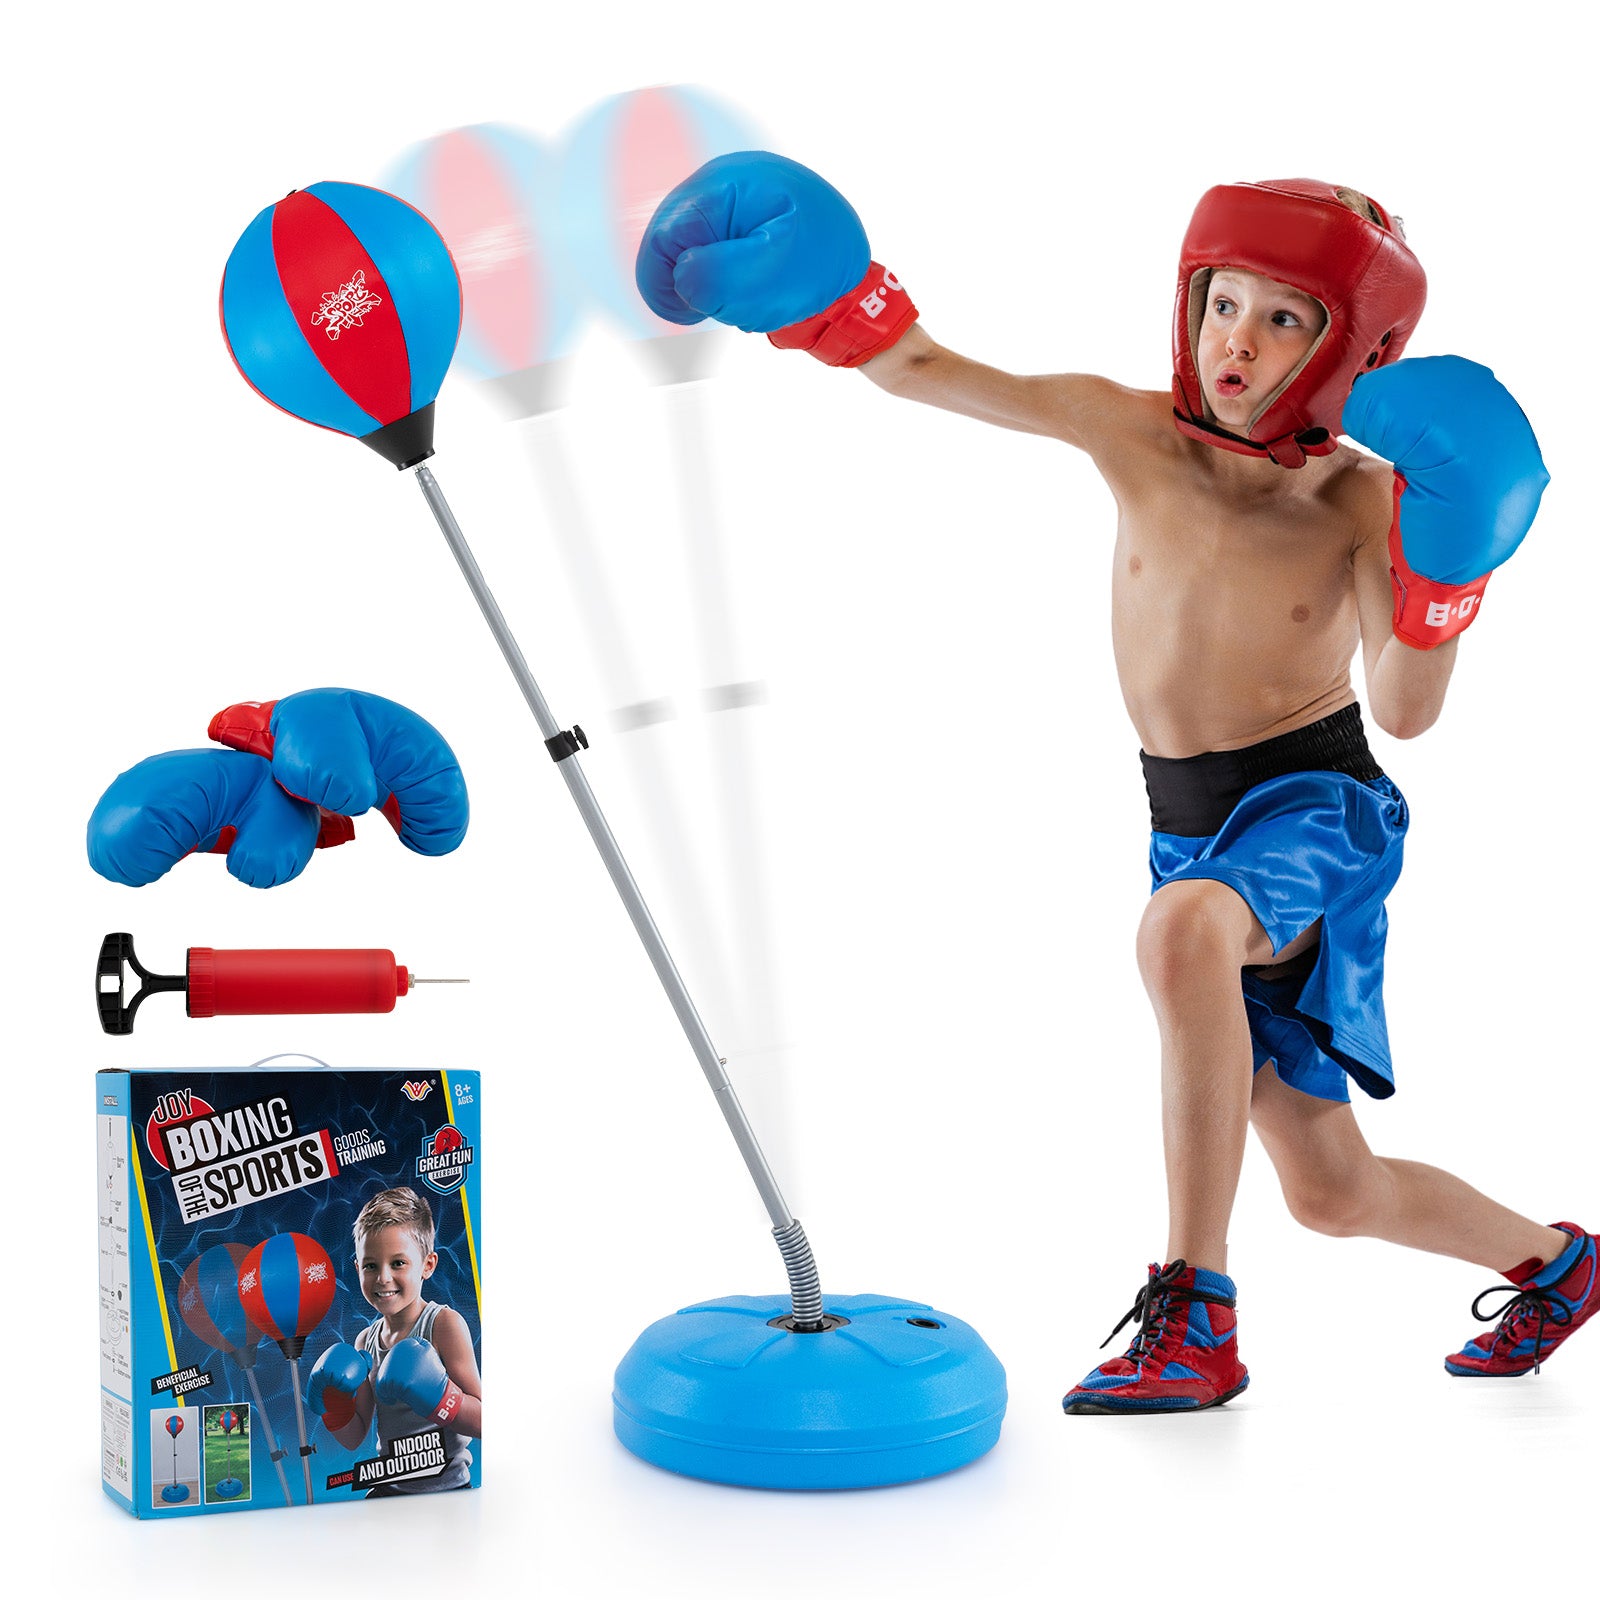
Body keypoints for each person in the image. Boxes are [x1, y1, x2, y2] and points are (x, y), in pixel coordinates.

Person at [635, 157, 1596, 1413]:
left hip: (1317, 809)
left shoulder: (1365, 500)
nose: (1236, 341)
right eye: (1222, 303)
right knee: (1331, 1189)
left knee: (1181, 931)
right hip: (1187, 822)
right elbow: (921, 366)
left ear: (1350, 350)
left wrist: (1447, 575)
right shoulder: (1129, 428)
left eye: (1283, 318)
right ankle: (1560, 1265)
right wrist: (818, 294)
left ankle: (1195, 1315)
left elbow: (1407, 712)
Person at [305, 1187, 481, 1487]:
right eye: (371, 1266)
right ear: (358, 1268)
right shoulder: (365, 1341)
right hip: (389, 1488)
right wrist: (334, 1405)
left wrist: (441, 1395)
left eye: (398, 1263)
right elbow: (354, 1437)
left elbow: (482, 1422)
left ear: (427, 1265)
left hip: (448, 1488)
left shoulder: (443, 1325)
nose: (383, 1278)